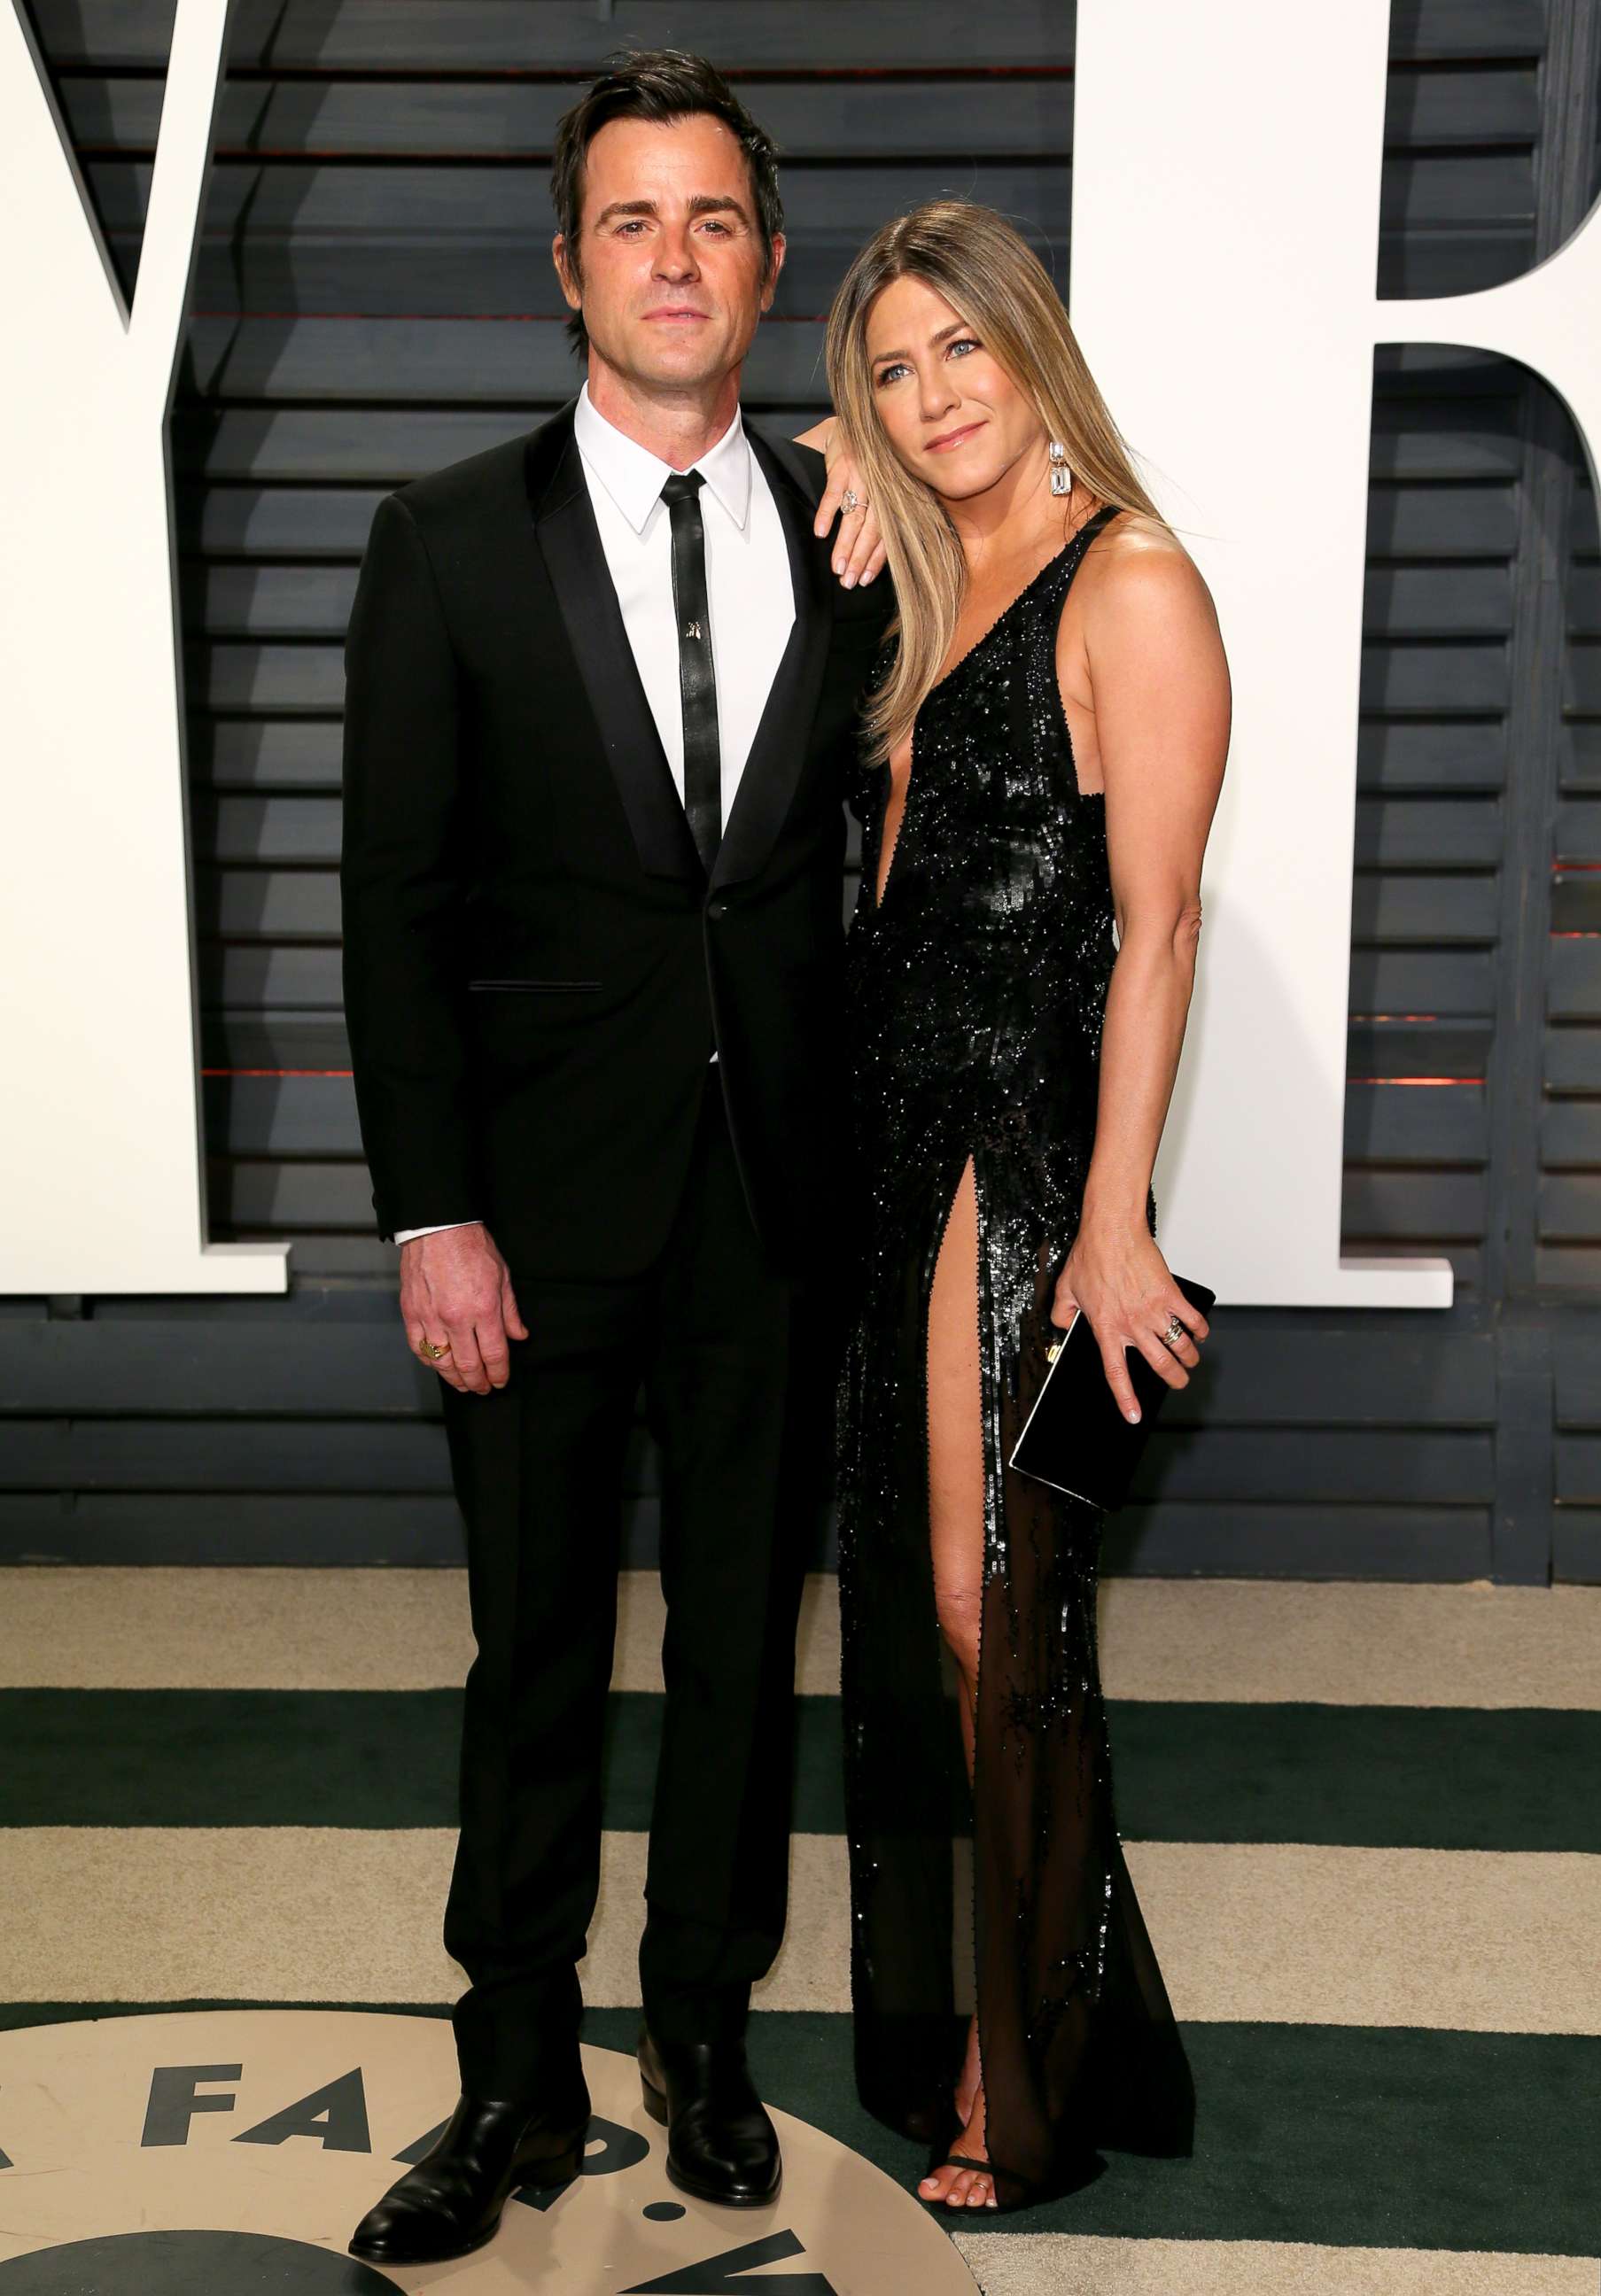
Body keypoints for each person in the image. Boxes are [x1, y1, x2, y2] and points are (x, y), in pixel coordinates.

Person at [338, 52, 886, 2268]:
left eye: (716, 220)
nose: (676, 258)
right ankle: (511, 2074)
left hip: (776, 1209)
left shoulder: (863, 532)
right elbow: (396, 908)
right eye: (632, 222)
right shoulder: (444, 539)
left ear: (767, 264)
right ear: (567, 266)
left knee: (747, 1652)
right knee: (533, 1652)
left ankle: (699, 2041)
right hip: (533, 1224)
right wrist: (430, 1209)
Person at [825, 200, 1231, 2214]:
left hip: (1024, 1162)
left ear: (1027, 348)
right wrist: (826, 461)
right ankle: (1053, 2021)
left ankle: (1020, 2076)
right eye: (890, 370)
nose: (927, 396)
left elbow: (1155, 930)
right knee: (935, 1615)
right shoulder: (920, 574)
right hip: (896, 1158)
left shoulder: (1127, 577)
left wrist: (1113, 1221)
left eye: (956, 352)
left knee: (1000, 1612)